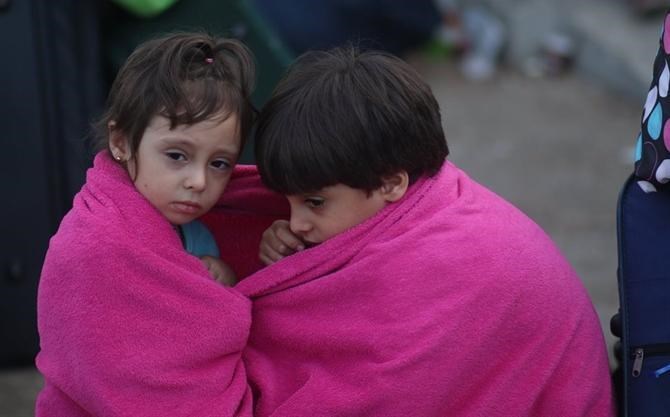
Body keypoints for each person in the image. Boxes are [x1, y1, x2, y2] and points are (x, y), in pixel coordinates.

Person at [238, 46, 616, 415]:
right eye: (288, 202)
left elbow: (379, 395)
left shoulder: (449, 265)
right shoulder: (430, 195)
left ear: (391, 183)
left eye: (315, 203)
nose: (296, 223)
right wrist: (292, 258)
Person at [35, 32, 256, 415]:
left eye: (219, 163)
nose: (198, 181)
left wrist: (224, 275)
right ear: (121, 142)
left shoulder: (197, 233)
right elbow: (93, 355)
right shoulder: (94, 241)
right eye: (177, 155)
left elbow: (211, 314)